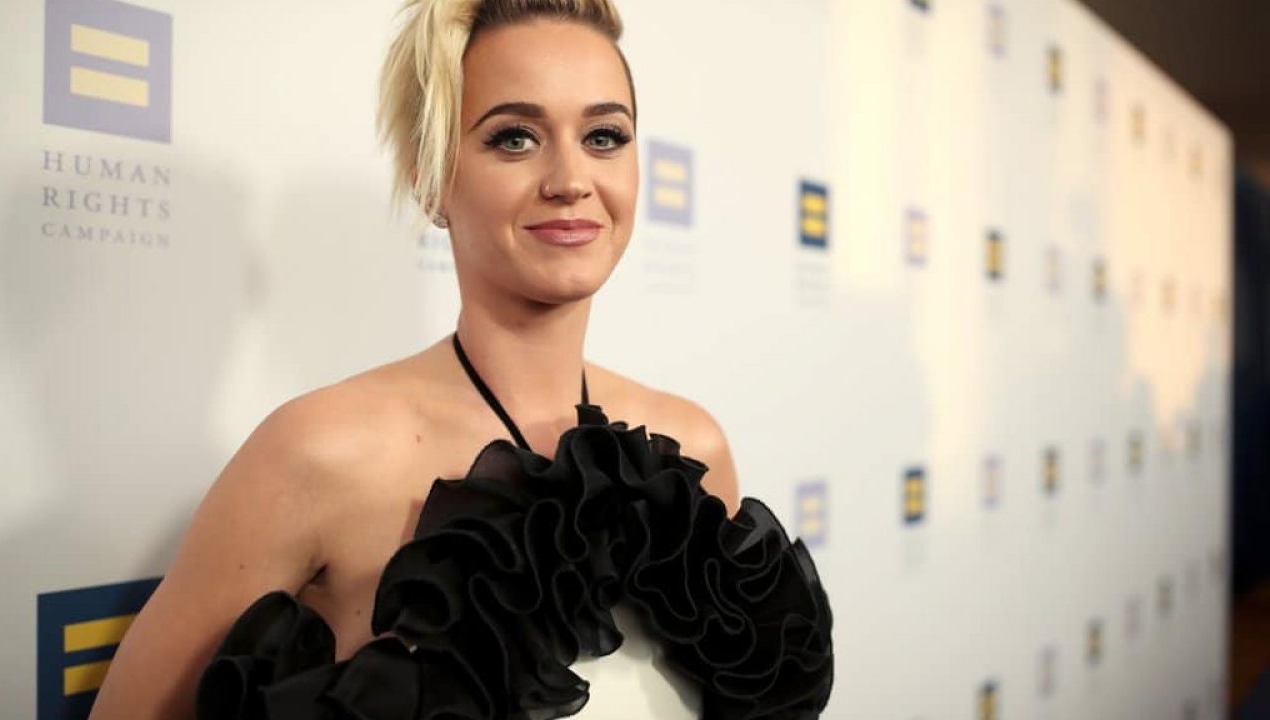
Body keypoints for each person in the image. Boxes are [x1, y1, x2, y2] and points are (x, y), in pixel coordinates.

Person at [92, 1, 832, 718]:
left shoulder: (690, 451)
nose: (571, 179)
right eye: (515, 138)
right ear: (430, 176)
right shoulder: (318, 454)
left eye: (605, 136)